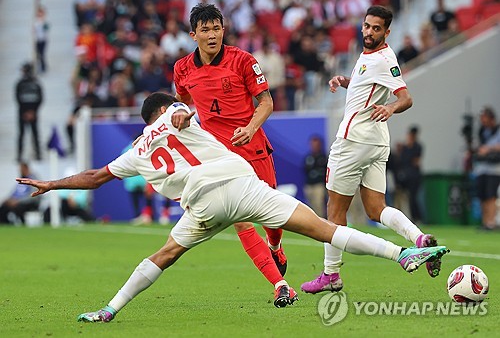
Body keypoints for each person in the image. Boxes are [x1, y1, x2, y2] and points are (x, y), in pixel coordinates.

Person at [16, 93, 448, 322]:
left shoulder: (135, 150)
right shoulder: (174, 114)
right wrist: (183, 112)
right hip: (239, 186)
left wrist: (51, 183)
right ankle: (401, 253)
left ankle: (109, 309)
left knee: (164, 255)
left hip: (202, 207)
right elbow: (183, 112)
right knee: (321, 228)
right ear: (162, 110)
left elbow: (93, 177)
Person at [301, 6, 443, 295]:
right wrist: (345, 82)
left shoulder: (383, 58)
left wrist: (391, 107)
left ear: (387, 32)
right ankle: (420, 240)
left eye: (376, 28)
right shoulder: (370, 57)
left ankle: (331, 274)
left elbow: (405, 97)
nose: (368, 32)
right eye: (367, 26)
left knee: (334, 211)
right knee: (376, 208)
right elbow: (367, 89)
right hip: (377, 142)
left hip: (354, 141)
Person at [172, 4, 288, 285]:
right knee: (242, 219)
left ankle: (275, 246)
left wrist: (250, 128)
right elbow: (182, 102)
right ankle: (279, 286)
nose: (212, 35)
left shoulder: (244, 60)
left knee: (273, 218)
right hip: (219, 157)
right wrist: (181, 114)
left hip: (253, 146)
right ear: (193, 35)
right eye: (205, 30)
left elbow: (266, 102)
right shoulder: (183, 68)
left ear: (223, 30)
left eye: (216, 28)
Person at [473, 106, 500, 230]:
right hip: (481, 168)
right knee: (482, 196)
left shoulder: (497, 130)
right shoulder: (482, 131)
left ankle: (491, 222)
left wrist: (488, 149)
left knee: (491, 195)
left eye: (484, 117)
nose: (482, 120)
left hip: (494, 168)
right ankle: (485, 222)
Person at [15, 62, 43, 162]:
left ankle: (38, 154)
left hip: (33, 114)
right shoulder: (20, 84)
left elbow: (40, 99)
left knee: (35, 134)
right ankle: (19, 155)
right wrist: (26, 112)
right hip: (22, 114)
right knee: (21, 134)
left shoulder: (36, 84)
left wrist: (33, 112)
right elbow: (17, 99)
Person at [396, 126, 424, 223]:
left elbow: (416, 161)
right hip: (405, 176)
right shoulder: (404, 148)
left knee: (413, 198)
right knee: (403, 198)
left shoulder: (417, 146)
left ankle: (417, 218)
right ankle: (406, 218)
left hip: (414, 176)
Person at [303, 135, 328, 218]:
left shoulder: (323, 157)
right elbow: (305, 170)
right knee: (310, 206)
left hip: (319, 185)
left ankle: (322, 223)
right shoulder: (308, 157)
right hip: (309, 185)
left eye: (316, 144)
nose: (314, 146)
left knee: (319, 205)